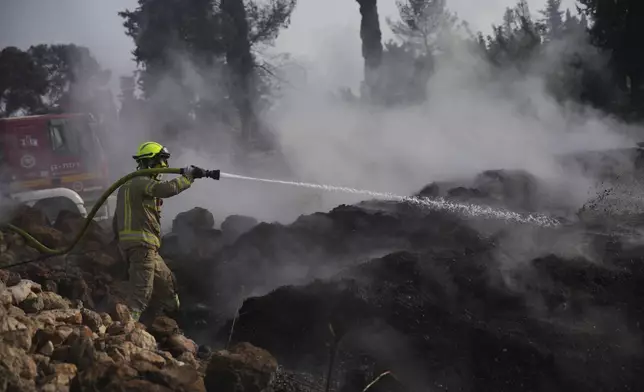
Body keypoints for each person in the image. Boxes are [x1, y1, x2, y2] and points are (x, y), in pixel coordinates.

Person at [112, 141, 206, 322]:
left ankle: (177, 315)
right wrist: (188, 178)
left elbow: (117, 219)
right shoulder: (142, 182)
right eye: (162, 161)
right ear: (150, 162)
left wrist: (118, 243)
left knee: (166, 281)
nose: (165, 166)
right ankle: (125, 329)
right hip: (141, 245)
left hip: (143, 246)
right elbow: (165, 189)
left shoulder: (127, 186)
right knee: (141, 293)